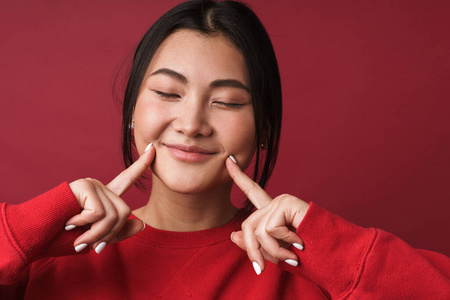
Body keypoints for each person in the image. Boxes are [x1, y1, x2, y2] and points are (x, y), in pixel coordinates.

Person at [1, 0, 449, 298]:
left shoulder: (307, 269)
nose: (193, 124)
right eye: (169, 94)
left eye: (227, 102)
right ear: (132, 114)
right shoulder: (49, 260)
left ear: (264, 130)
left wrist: (335, 249)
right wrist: (25, 233)